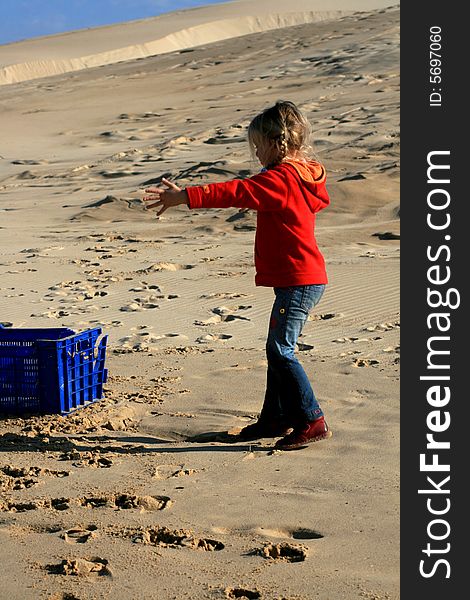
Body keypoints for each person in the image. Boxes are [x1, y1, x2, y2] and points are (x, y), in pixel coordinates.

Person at [143, 100, 332, 450]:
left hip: (299, 280)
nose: (256, 153)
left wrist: (183, 196)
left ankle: (312, 419)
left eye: (258, 146)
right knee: (276, 349)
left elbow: (235, 192)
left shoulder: (281, 180)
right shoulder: (303, 174)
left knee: (280, 350)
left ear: (277, 144)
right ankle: (275, 418)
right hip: (301, 277)